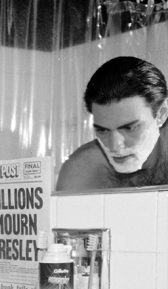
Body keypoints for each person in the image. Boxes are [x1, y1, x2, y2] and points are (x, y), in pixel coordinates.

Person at [56, 56, 168, 191]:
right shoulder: (82, 170)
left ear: (162, 114)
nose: (114, 146)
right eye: (103, 130)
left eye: (129, 128)